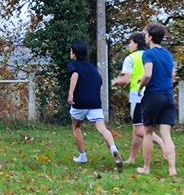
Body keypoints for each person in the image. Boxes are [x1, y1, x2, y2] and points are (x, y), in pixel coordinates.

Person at [67, 41, 124, 169]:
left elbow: (75, 75)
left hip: (80, 102)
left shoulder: (73, 64)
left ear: (74, 54)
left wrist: (71, 94)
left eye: (71, 51)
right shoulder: (91, 67)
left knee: (76, 126)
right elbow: (99, 80)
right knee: (102, 128)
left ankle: (82, 156)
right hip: (95, 102)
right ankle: (113, 148)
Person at [111, 32, 165, 165]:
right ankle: (132, 158)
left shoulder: (131, 58)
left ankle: (162, 143)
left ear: (136, 44)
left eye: (130, 43)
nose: (129, 45)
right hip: (155, 93)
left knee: (139, 129)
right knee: (137, 127)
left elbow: (126, 79)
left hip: (138, 95)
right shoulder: (151, 55)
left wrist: (115, 81)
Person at [136, 23, 177, 176]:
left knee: (148, 131)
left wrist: (140, 87)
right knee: (166, 133)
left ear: (151, 37)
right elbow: (171, 76)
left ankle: (146, 168)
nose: (145, 37)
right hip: (168, 96)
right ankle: (172, 169)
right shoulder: (168, 55)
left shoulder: (148, 54)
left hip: (153, 96)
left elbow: (148, 74)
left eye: (146, 34)